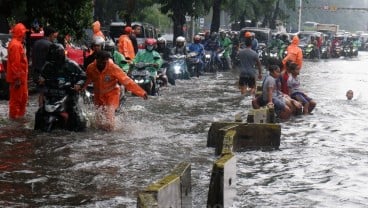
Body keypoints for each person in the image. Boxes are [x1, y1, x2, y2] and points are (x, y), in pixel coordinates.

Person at [83, 50, 148, 131]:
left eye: (104, 62)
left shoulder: (113, 67)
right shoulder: (91, 67)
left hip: (112, 94)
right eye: (100, 62)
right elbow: (87, 79)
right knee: (98, 122)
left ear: (107, 60)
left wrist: (141, 92)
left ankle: (110, 138)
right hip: (98, 95)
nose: (102, 64)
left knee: (109, 119)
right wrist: (81, 88)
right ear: (96, 59)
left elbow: (127, 81)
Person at [36, 43, 87, 131]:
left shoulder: (71, 64)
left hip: (68, 92)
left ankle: (78, 130)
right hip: (52, 93)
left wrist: (78, 84)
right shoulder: (48, 65)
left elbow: (83, 76)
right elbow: (41, 75)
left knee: (74, 113)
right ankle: (37, 130)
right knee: (40, 112)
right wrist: (41, 79)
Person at [6, 23, 28, 121]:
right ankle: (15, 120)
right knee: (16, 100)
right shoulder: (15, 45)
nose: (25, 35)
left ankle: (19, 119)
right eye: (24, 32)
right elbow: (15, 64)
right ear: (21, 33)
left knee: (22, 99)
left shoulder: (18, 44)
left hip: (21, 78)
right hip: (18, 79)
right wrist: (17, 78)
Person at [31, 26, 58, 106]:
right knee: (46, 94)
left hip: (36, 73)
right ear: (50, 35)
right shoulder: (51, 45)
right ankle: (43, 111)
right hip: (45, 75)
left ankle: (41, 111)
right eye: (54, 36)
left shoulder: (36, 43)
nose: (54, 38)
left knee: (42, 93)